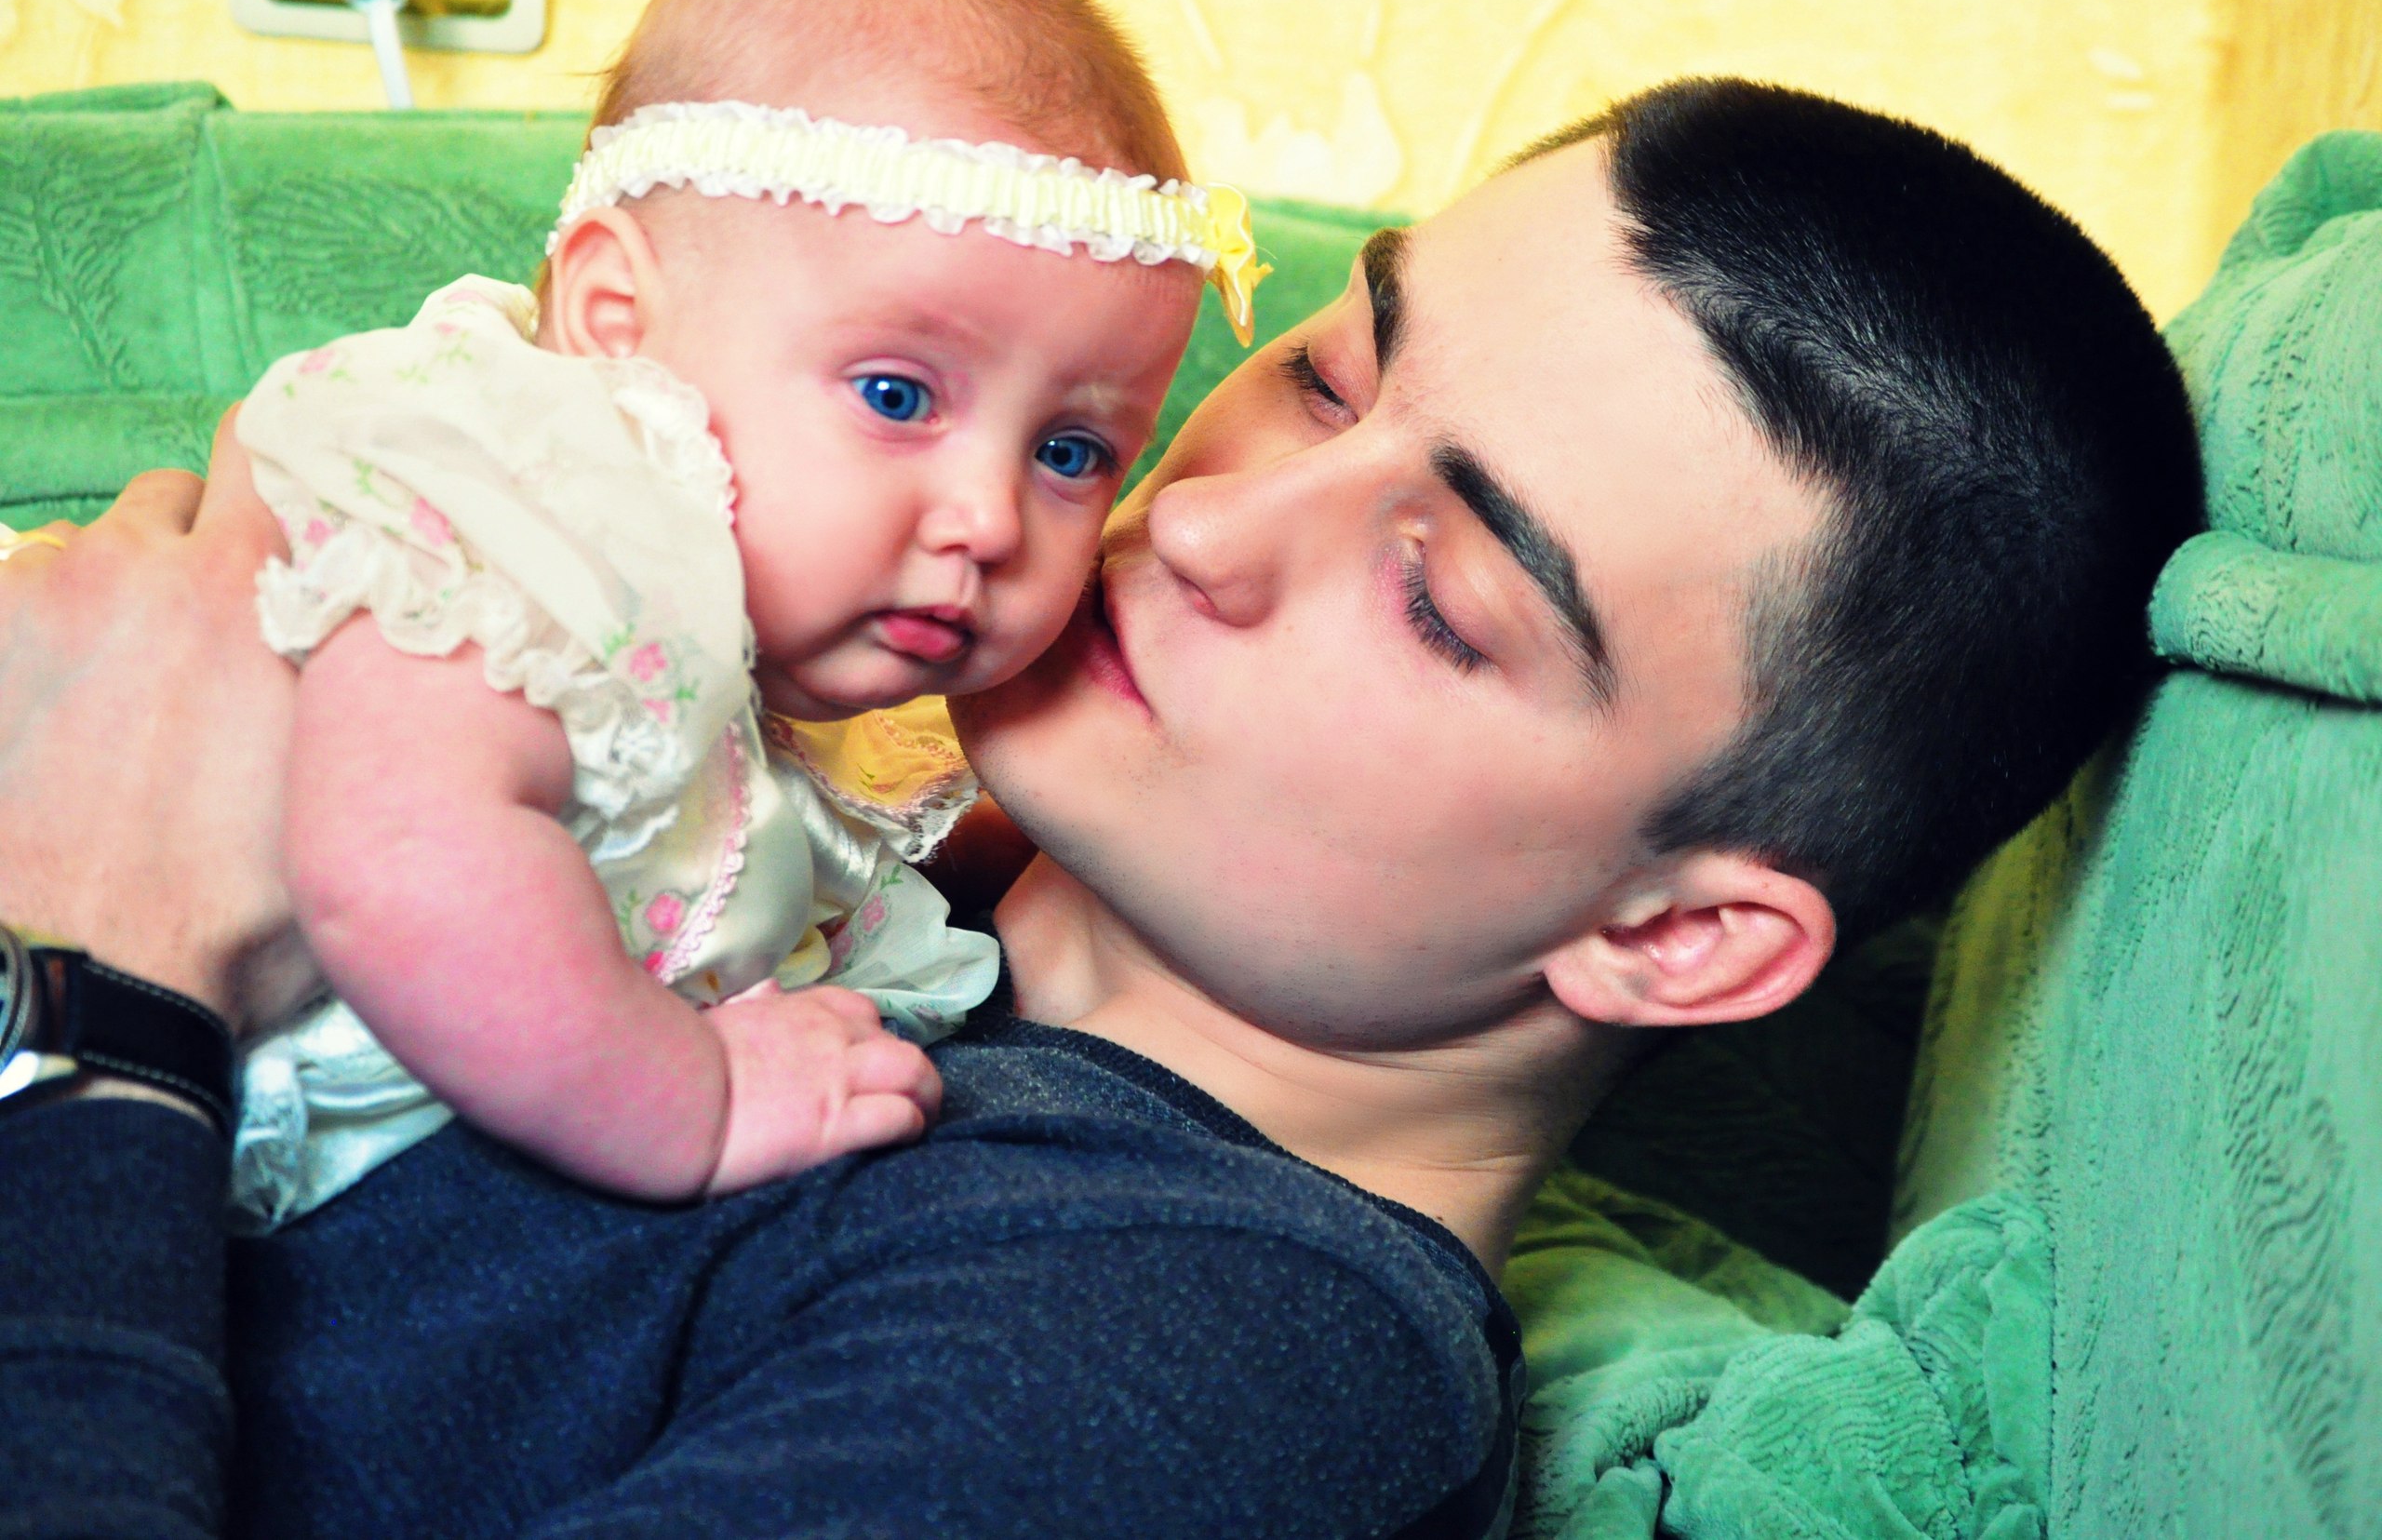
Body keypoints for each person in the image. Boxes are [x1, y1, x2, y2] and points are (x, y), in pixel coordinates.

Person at [0, 74, 2201, 1538]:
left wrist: (93, 988)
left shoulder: (1218, 1354)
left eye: (1436, 597)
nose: (1203, 520)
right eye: (1326, 372)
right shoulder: (801, 826)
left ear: (1674, 934)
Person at [225, 0, 1260, 1225]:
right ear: (617, 323)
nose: (991, 519)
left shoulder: (718, 644)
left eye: (1071, 452)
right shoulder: (526, 511)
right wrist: (691, 1102)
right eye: (896, 396)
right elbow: (399, 857)